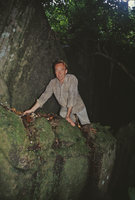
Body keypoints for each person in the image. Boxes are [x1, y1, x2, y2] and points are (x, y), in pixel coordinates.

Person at [23, 60, 91, 133]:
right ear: (54, 72)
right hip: (65, 107)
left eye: (61, 70)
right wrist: (31, 110)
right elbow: (44, 97)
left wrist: (68, 116)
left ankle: (82, 126)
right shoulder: (53, 83)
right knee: (63, 116)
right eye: (57, 70)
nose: (59, 73)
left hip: (78, 106)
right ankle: (75, 123)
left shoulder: (72, 79)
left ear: (66, 71)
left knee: (86, 128)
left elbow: (72, 97)